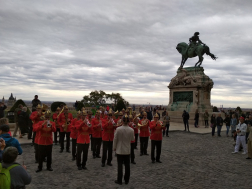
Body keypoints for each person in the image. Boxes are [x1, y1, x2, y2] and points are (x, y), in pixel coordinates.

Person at [113, 115, 134, 185]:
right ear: (128, 122)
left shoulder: (118, 129)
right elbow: (132, 139)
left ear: (122, 121)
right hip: (127, 150)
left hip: (119, 149)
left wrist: (114, 147)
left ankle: (119, 180)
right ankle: (126, 180)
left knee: (120, 166)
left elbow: (115, 139)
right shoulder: (131, 130)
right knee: (127, 166)